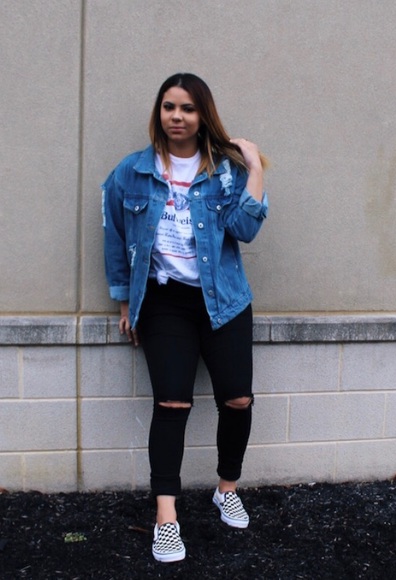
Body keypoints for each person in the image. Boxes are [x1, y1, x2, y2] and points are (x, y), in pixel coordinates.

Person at [102, 72, 268, 563]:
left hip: (224, 300)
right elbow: (115, 236)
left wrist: (254, 166)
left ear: (203, 115)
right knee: (172, 403)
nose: (177, 116)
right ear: (159, 112)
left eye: (188, 108)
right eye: (169, 107)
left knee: (238, 399)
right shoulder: (132, 172)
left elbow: (245, 228)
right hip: (164, 302)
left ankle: (226, 488)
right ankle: (166, 518)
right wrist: (125, 301)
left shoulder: (225, 171)